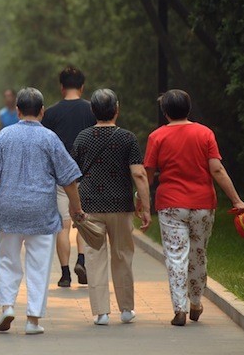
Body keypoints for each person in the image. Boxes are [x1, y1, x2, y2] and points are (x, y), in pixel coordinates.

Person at [0, 87, 85, 336]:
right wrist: (76, 207)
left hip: (8, 208)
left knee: (7, 259)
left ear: (17, 110)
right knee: (39, 265)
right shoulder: (50, 138)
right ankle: (32, 320)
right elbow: (69, 178)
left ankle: (7, 306)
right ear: (42, 111)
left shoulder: (4, 136)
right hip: (41, 210)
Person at [143, 89, 244, 326]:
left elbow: (147, 175)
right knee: (198, 254)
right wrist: (236, 200)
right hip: (202, 205)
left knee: (176, 257)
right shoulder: (205, 133)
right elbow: (217, 170)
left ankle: (179, 308)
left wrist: (140, 200)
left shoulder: (157, 137)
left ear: (165, 112)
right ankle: (196, 302)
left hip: (170, 205)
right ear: (188, 108)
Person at [70, 89, 152, 326]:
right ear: (117, 109)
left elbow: (72, 175)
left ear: (93, 111)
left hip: (90, 206)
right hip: (120, 205)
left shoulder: (82, 137)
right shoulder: (128, 138)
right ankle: (126, 309)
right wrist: (145, 207)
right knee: (122, 255)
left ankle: (101, 313)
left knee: (95, 257)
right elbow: (138, 173)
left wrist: (74, 208)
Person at [41, 66, 95, 287]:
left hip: (60, 178)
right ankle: (82, 260)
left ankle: (65, 274)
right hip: (87, 176)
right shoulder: (93, 110)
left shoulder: (51, 114)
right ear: (82, 87)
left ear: (61, 87)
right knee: (82, 221)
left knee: (62, 226)